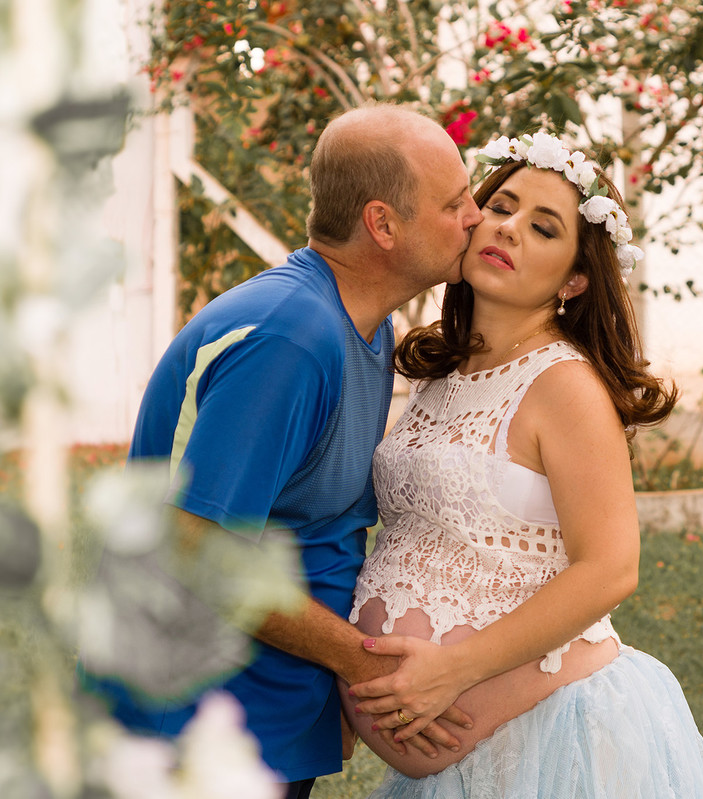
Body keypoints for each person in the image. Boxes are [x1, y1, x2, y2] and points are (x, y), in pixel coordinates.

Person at [79, 104, 484, 798]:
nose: (476, 216)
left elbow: (308, 523)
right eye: (455, 202)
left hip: (268, 708)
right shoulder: (291, 340)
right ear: (382, 225)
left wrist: (331, 689)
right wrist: (364, 665)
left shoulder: (363, 323)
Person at [341, 132, 703, 797]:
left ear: (575, 279)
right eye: (503, 206)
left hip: (549, 739)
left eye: (543, 227)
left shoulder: (565, 386)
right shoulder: (443, 373)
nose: (510, 228)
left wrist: (452, 670)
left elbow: (611, 566)